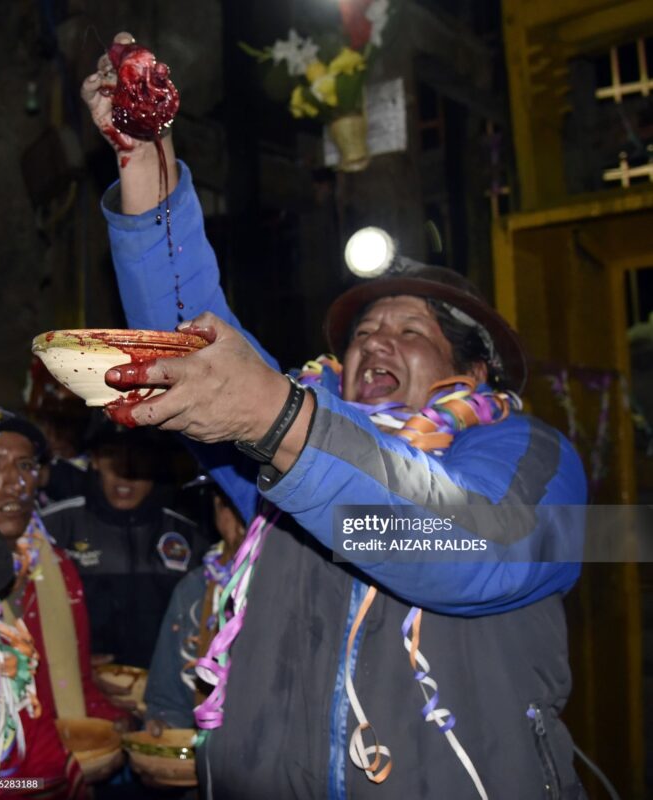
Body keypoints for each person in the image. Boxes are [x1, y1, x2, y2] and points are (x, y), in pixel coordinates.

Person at [83, 33, 588, 800]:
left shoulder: (530, 455)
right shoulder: (288, 456)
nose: (376, 339)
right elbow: (193, 342)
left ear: (474, 372)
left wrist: (282, 420)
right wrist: (146, 167)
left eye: (410, 330)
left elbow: (470, 548)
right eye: (362, 334)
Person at [0, 407, 127, 797]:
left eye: (26, 465)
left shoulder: (57, 569)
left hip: (60, 780)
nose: (14, 483)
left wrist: (119, 726)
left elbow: (75, 687)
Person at [42, 417, 213, 668]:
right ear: (95, 460)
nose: (126, 470)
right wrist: (74, 667)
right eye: (113, 455)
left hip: (162, 695)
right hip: (76, 690)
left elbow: (207, 625)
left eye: (140, 457)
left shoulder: (190, 536)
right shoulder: (53, 527)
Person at [144, 487, 246, 734]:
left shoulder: (294, 586)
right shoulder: (194, 589)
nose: (243, 518)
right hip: (208, 753)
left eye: (254, 506)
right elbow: (169, 701)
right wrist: (163, 726)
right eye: (227, 505)